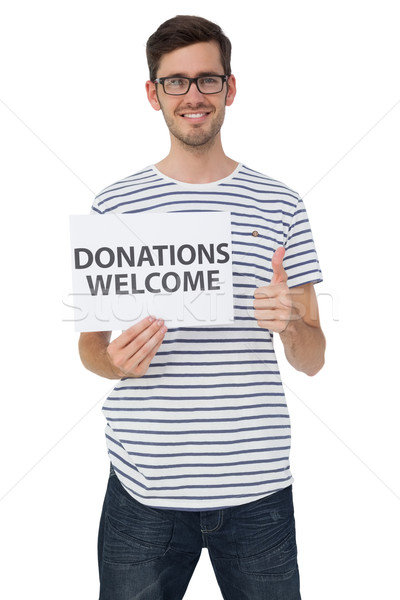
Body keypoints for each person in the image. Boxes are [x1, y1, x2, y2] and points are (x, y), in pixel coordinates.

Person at [79, 14, 326, 600]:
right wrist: (114, 362)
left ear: (230, 89)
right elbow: (90, 348)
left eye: (208, 80)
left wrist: (291, 324)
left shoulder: (281, 205)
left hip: (258, 495)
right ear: (153, 94)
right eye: (176, 81)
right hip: (144, 493)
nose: (193, 95)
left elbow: (314, 358)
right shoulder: (113, 206)